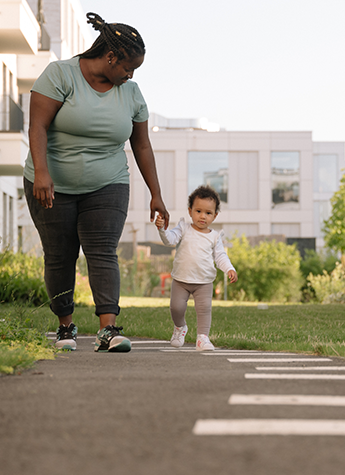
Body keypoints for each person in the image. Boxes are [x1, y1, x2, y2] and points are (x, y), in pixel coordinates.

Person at [23, 12, 169, 353]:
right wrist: (42, 172)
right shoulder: (60, 75)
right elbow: (38, 126)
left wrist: (156, 193)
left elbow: (142, 145)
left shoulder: (131, 92)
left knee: (102, 252)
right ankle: (65, 328)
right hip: (51, 183)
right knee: (59, 256)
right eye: (127, 67)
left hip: (108, 183)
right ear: (110, 56)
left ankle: (108, 329)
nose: (130, 75)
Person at [155, 185, 237, 351]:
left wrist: (229, 268)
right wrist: (162, 228)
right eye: (198, 211)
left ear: (215, 215)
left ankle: (202, 338)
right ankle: (180, 328)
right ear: (190, 210)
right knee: (176, 308)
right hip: (181, 280)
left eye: (208, 213)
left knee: (204, 309)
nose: (202, 216)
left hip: (204, 282)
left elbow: (220, 256)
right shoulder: (184, 228)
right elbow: (169, 240)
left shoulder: (214, 237)